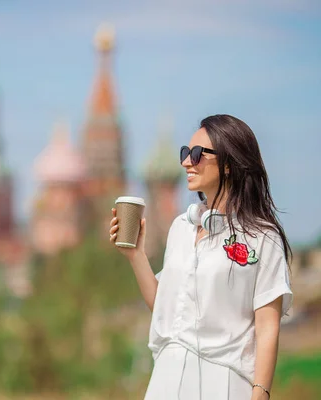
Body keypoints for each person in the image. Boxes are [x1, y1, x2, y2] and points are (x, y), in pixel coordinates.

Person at [109, 114, 293, 399]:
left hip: (223, 381)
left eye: (196, 154)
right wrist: (136, 255)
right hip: (166, 379)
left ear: (229, 164)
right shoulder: (181, 228)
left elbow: (267, 327)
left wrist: (261, 392)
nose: (186, 162)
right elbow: (165, 309)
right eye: (185, 152)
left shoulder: (262, 237)